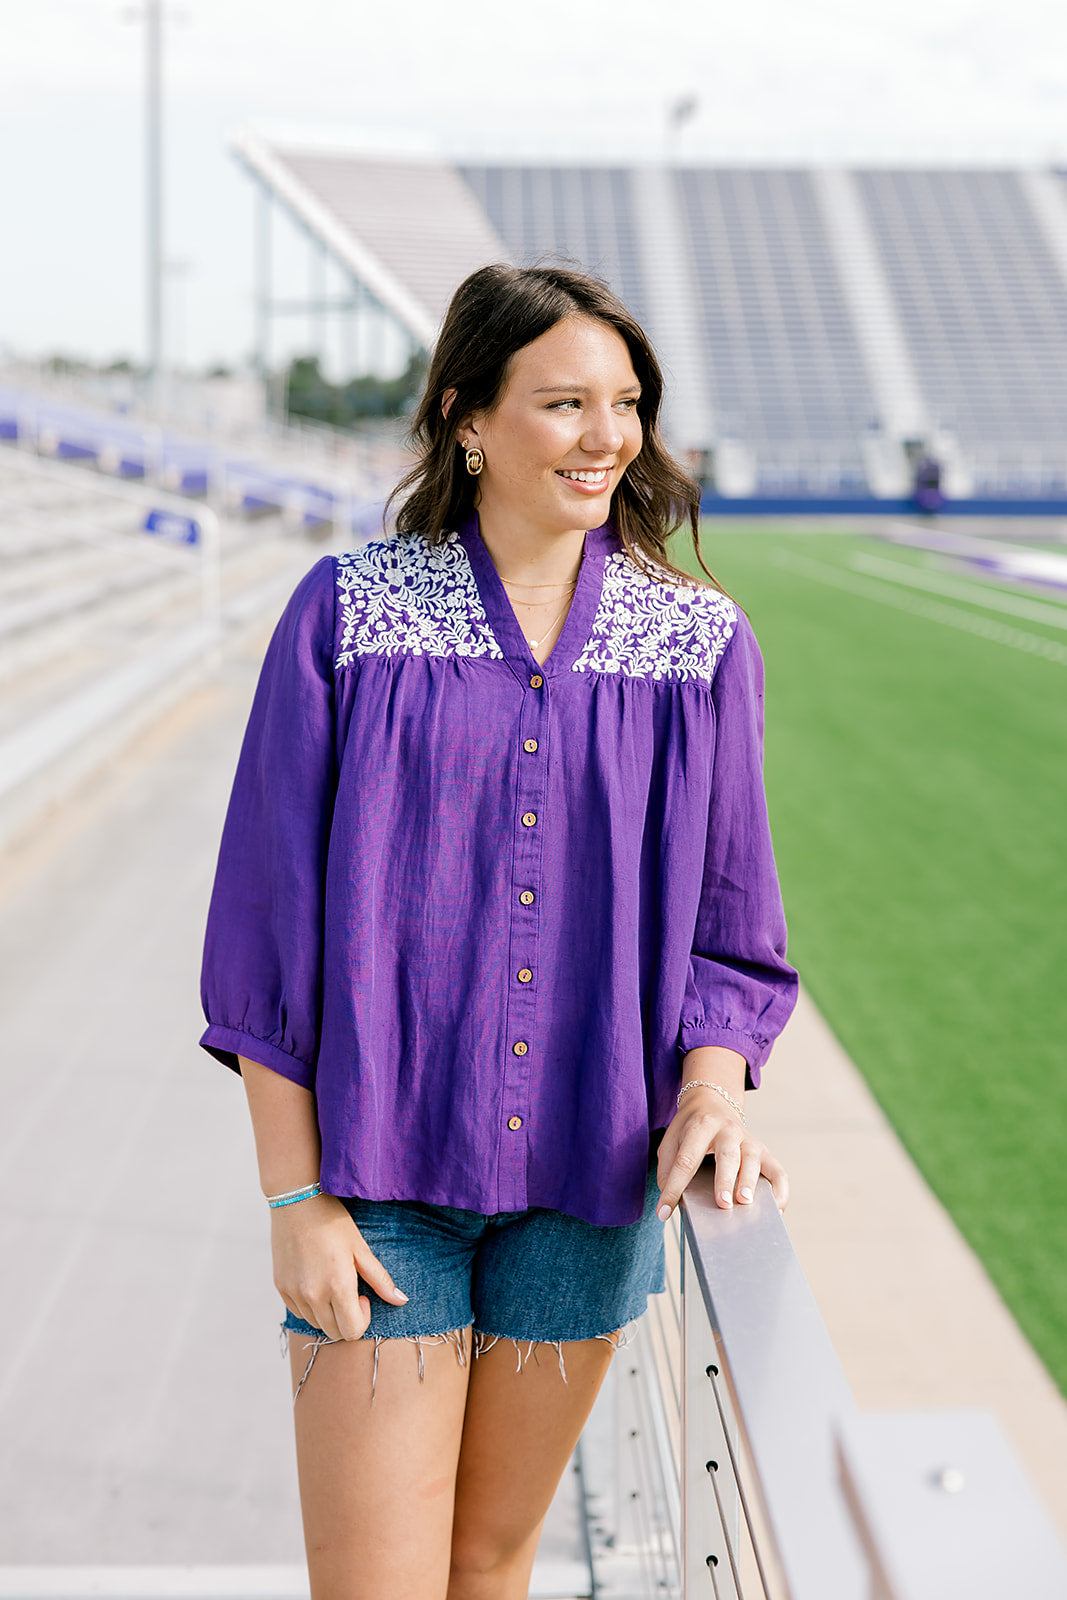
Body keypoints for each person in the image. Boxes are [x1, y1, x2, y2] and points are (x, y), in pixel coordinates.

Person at [199, 263, 798, 1600]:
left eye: (626, 404)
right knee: (376, 1584)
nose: (608, 438)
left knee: (489, 1562)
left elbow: (729, 927)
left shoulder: (698, 644)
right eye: (565, 403)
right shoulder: (348, 617)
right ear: (466, 418)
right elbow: (264, 930)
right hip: (378, 1184)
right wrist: (293, 1197)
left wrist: (711, 1091)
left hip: (590, 1189)